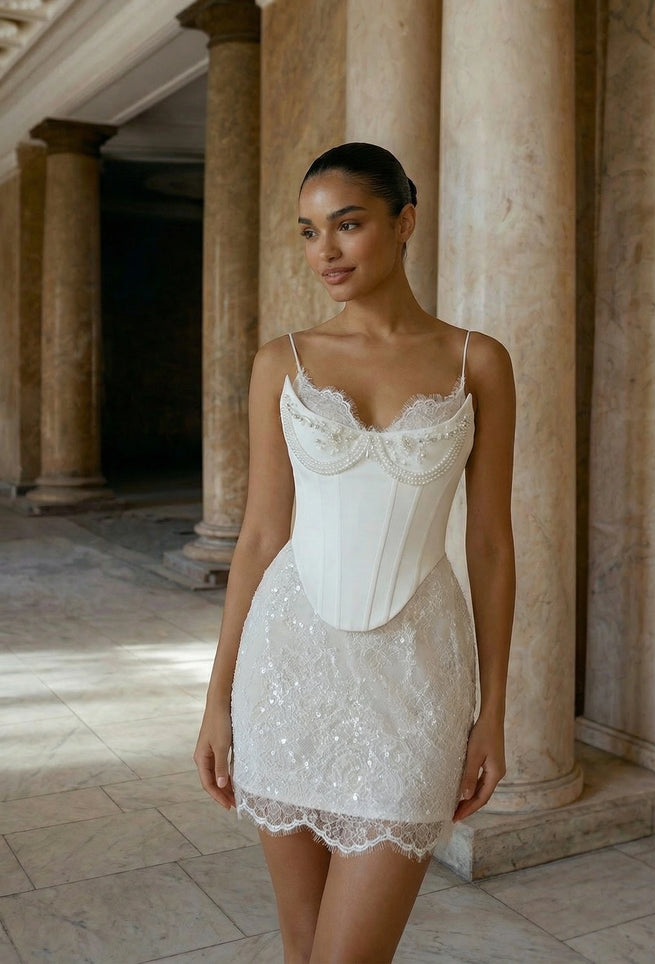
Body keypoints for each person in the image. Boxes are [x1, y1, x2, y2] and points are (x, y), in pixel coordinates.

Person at [194, 142, 516, 963]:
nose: (325, 251)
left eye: (348, 224)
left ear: (405, 222)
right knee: (304, 949)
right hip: (288, 668)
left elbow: (489, 542)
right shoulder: (284, 362)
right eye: (308, 232)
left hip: (416, 679)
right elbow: (262, 535)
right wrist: (218, 698)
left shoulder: (477, 361)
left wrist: (495, 712)